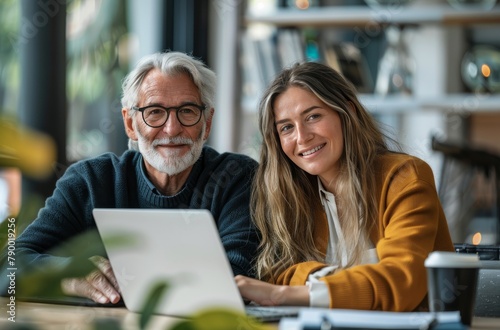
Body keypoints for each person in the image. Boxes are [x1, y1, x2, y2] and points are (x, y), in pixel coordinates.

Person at [2, 51, 259, 305]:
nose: (171, 129)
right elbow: (9, 267)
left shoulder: (238, 177)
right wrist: (69, 275)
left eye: (188, 111)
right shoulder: (90, 180)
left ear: (207, 122)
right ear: (129, 123)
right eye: (155, 112)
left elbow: (236, 278)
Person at [235, 61, 454, 312]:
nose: (302, 137)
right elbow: (276, 271)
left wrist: (286, 294)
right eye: (286, 127)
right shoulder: (293, 194)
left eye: (313, 116)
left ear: (346, 112)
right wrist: (330, 280)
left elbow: (400, 283)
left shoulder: (404, 177)